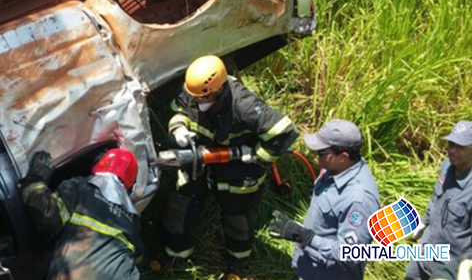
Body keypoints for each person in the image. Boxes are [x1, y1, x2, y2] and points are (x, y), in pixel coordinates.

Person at [161, 55, 299, 279]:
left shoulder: (243, 104)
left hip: (238, 170)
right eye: (193, 97)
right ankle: (176, 255)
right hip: (200, 161)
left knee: (237, 217)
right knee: (181, 204)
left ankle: (237, 265)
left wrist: (257, 157)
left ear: (218, 90)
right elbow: (178, 110)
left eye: (202, 99)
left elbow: (284, 132)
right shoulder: (193, 90)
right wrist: (178, 129)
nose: (196, 103)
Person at [269, 119, 380, 280]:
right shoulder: (334, 170)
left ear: (343, 156)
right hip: (312, 268)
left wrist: (306, 237)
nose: (315, 156)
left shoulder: (358, 200)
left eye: (321, 153)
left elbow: (350, 254)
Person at [20, 148, 143, 280]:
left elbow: (47, 214)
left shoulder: (80, 187)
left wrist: (35, 179)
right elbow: (138, 254)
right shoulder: (133, 219)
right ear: (130, 184)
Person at [405, 120, 472, 280]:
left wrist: (466, 266)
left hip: (451, 262)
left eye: (460, 147)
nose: (452, 151)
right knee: (410, 275)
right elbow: (437, 196)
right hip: (427, 248)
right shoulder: (447, 165)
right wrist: (424, 221)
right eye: (451, 144)